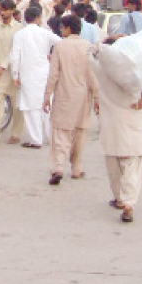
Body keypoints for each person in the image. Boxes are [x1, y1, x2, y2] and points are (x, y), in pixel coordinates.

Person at [93, 43, 142, 223]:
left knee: (113, 163)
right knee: (131, 164)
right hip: (132, 120)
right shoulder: (134, 72)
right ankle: (129, 203)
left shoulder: (100, 69)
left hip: (110, 124)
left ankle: (119, 199)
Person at [43, 15, 98, 185]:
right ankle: (77, 168)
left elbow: (53, 74)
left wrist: (47, 96)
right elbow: (93, 76)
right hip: (82, 96)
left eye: (62, 27)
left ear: (67, 28)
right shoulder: (88, 47)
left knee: (61, 132)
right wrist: (97, 97)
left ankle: (58, 167)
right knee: (79, 132)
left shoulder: (59, 47)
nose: (61, 30)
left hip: (64, 94)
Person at [11, 6, 61, 148]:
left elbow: (15, 56)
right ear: (38, 18)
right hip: (44, 72)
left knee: (30, 107)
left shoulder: (19, 34)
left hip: (27, 74)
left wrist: (15, 74)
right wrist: (53, 56)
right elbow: (60, 42)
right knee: (46, 105)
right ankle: (50, 137)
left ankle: (35, 139)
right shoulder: (45, 33)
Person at [0, 0, 24, 145]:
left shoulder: (19, 28)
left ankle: (16, 133)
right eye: (1, 9)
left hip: (14, 71)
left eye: (6, 10)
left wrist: (2, 67)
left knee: (17, 104)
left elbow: (15, 51)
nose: (3, 13)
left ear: (12, 11)